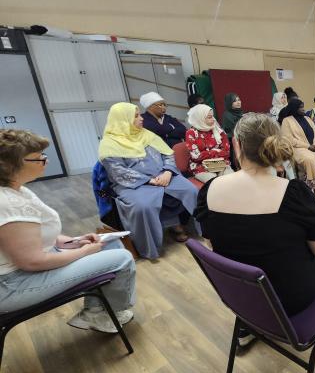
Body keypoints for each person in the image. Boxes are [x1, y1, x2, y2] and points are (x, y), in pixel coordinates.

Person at [195, 113, 315, 345]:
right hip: (291, 299)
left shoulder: (209, 191)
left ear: (237, 145)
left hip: (242, 298)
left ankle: (252, 324)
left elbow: (212, 243)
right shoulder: (294, 193)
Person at [0, 129, 136, 333]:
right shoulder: (8, 202)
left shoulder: (19, 190)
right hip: (15, 284)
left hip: (28, 268)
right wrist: (83, 251)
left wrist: (73, 241)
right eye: (38, 157)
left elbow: (36, 235)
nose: (45, 160)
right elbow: (32, 261)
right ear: (11, 165)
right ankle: (104, 314)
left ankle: (95, 312)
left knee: (110, 243)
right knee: (122, 258)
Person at [99, 102, 198, 259]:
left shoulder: (148, 135)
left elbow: (168, 154)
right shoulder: (109, 144)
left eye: (139, 114)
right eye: (136, 116)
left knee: (190, 190)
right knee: (143, 206)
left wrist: (168, 172)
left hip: (163, 176)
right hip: (134, 184)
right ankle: (150, 246)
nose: (141, 118)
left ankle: (183, 226)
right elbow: (118, 172)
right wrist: (149, 180)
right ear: (123, 120)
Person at [185, 104, 232, 183]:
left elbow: (226, 152)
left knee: (231, 179)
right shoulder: (191, 133)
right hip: (201, 166)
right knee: (215, 183)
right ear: (200, 118)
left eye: (213, 116)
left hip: (220, 163)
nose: (213, 119)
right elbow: (196, 156)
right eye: (210, 117)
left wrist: (207, 153)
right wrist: (216, 151)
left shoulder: (219, 131)